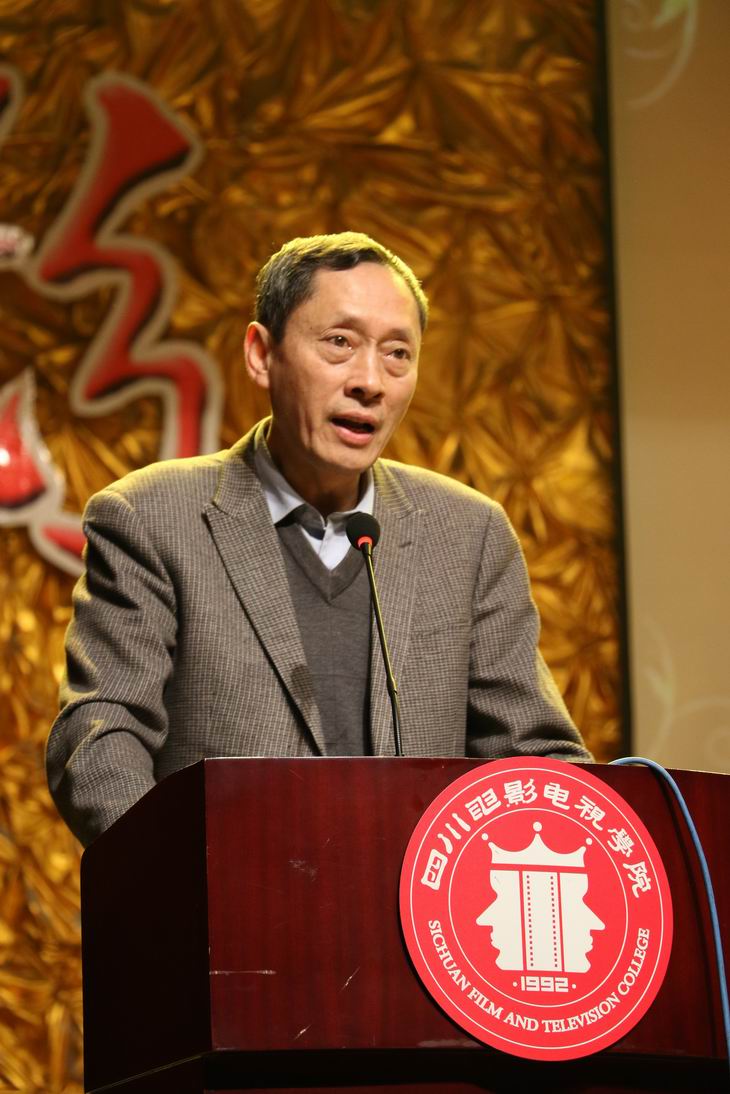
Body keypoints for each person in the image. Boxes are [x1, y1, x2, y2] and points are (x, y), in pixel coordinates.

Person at [47, 232, 591, 846]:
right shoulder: (151, 518)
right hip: (227, 897)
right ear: (262, 354)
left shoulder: (469, 534)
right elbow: (99, 740)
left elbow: (535, 759)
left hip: (417, 902)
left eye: (398, 354)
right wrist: (183, 878)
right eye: (340, 343)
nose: (370, 381)